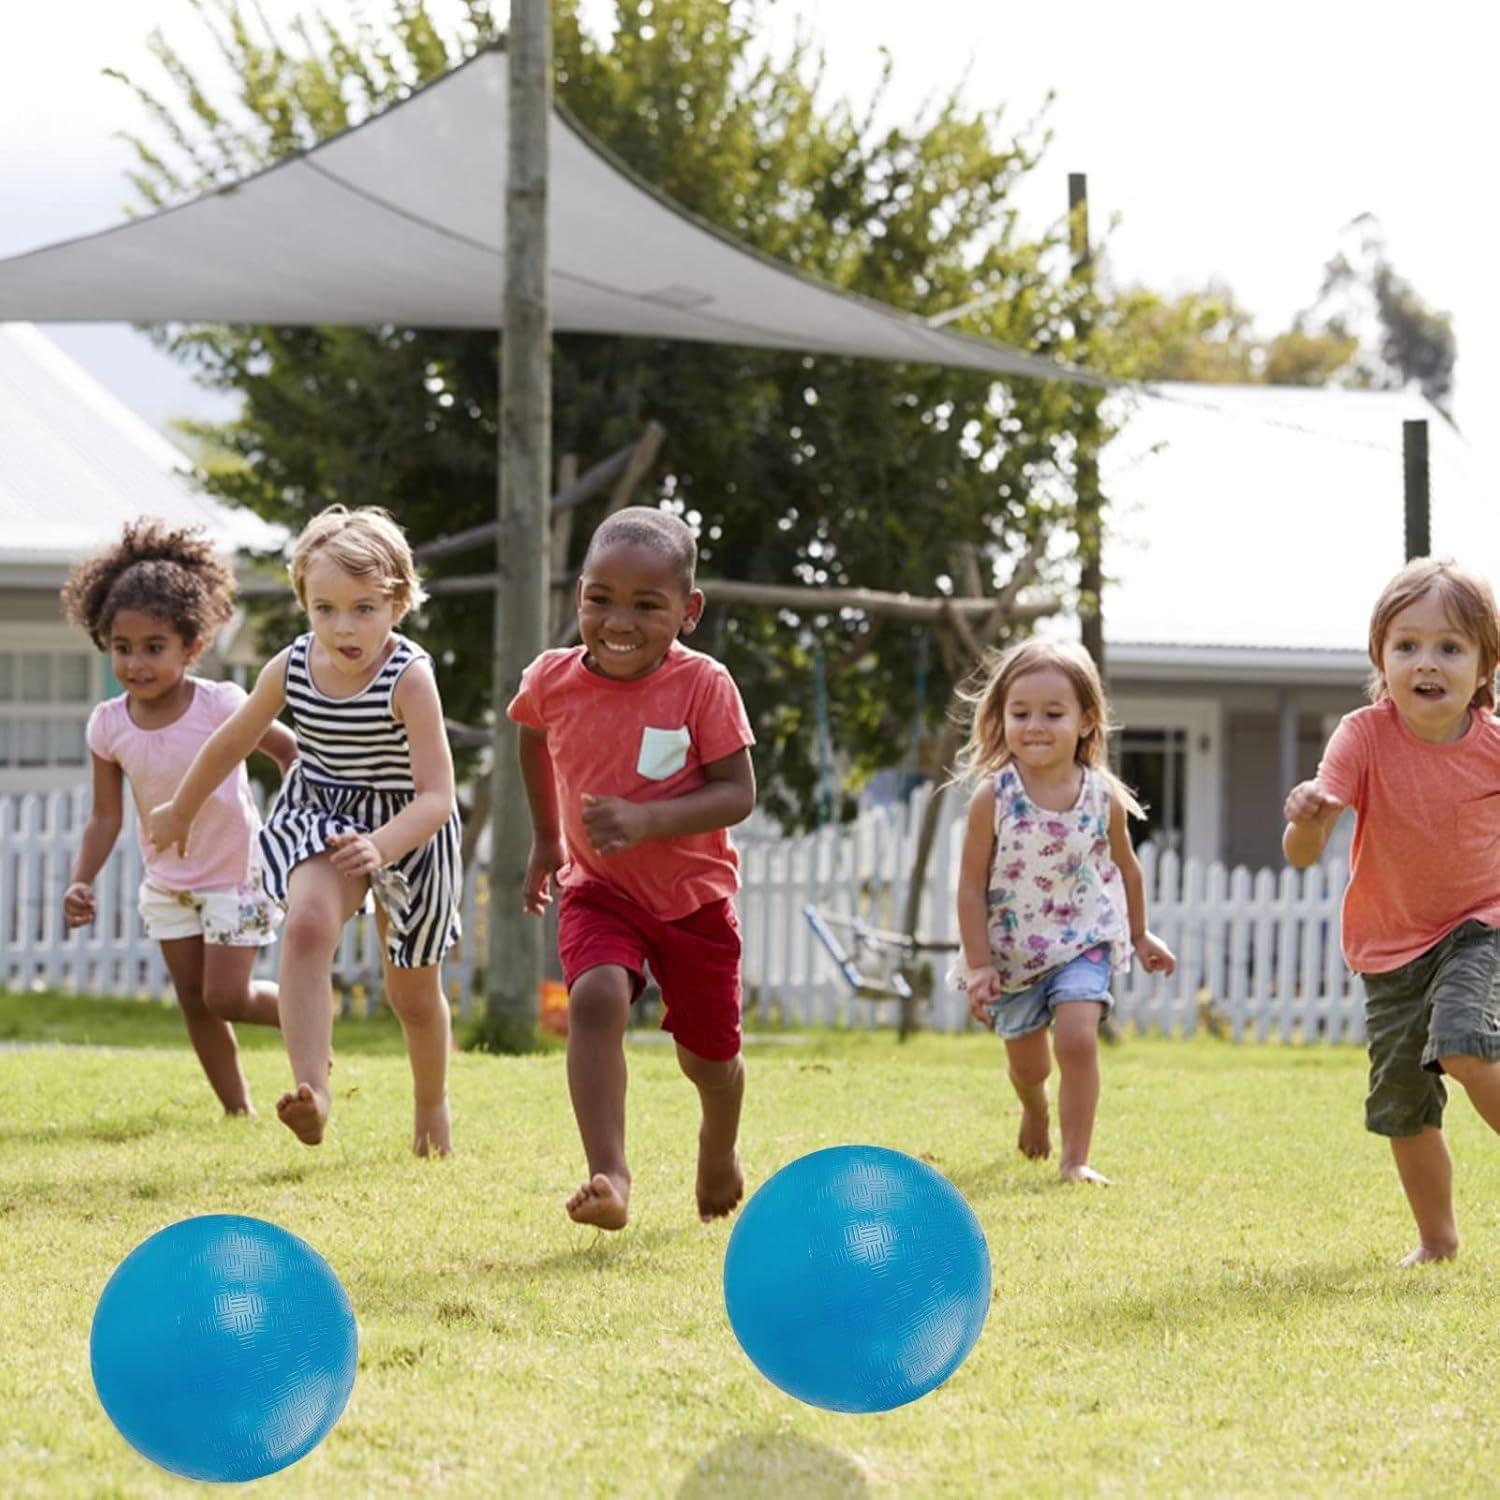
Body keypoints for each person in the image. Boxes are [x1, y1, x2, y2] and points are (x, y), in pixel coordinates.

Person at [148, 505, 460, 1156]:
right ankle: (312, 1093)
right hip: (324, 810)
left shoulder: (410, 677)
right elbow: (231, 739)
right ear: (305, 603)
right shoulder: (291, 667)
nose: (342, 627)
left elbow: (437, 795)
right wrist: (181, 808)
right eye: (324, 609)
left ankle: (431, 1109)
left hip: (408, 826)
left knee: (413, 995)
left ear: (399, 602)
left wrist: (383, 845)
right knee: (309, 925)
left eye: (363, 608)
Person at [508, 506, 757, 1230]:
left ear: (689, 611)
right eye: (600, 599)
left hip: (693, 901)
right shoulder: (551, 679)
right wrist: (548, 840)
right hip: (600, 890)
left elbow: (738, 792)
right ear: (579, 594)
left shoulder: (703, 686)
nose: (619, 620)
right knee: (594, 1000)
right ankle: (608, 1174)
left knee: (708, 1062)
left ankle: (719, 1142)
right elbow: (531, 734)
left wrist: (647, 820)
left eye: (647, 605)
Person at [1284, 556, 1500, 1264]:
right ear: (1380, 657)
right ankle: (1438, 1242)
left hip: (1482, 925)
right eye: (1405, 645)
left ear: (1484, 664)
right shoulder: (1364, 734)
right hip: (1390, 949)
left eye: (1449, 646)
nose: (1425, 663)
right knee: (1402, 1105)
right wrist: (1309, 819)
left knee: (1466, 1043)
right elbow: (1303, 852)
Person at [61, 518, 295, 1117]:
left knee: (228, 995)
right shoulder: (108, 724)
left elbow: (287, 751)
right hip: (167, 881)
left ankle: (310, 1016)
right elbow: (104, 817)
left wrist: (305, 816)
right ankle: (236, 1111)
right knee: (195, 1000)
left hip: (235, 875)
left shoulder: (221, 704)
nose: (136, 663)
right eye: (122, 648)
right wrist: (81, 879)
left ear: (192, 648)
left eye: (153, 648)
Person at [953, 638, 1175, 1184]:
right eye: (1020, 712)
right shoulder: (994, 796)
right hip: (1010, 953)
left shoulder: (1102, 796)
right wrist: (979, 964)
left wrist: (1141, 935)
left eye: (1053, 713)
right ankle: (1035, 1107)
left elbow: (1128, 869)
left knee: (1077, 1039)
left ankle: (1075, 1161)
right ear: (1000, 717)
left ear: (1085, 720)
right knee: (1030, 1065)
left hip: (1083, 939)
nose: (1035, 725)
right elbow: (969, 884)